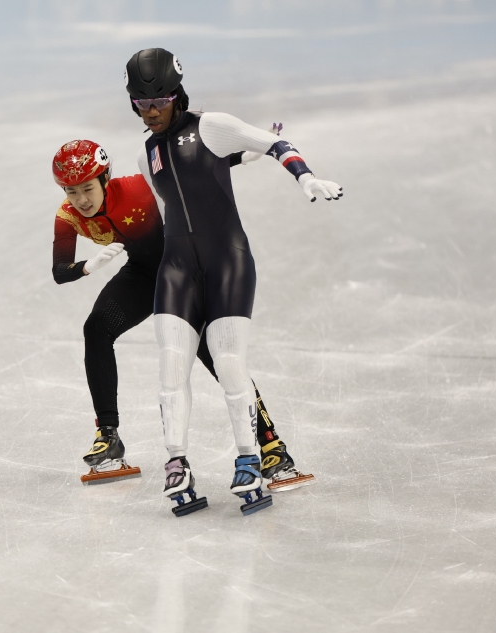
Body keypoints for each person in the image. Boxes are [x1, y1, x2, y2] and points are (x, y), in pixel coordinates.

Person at [125, 48, 342, 515]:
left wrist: (304, 178)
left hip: (228, 262)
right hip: (177, 268)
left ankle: (249, 459)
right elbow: (189, 189)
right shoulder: (148, 151)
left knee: (227, 363)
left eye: (159, 101)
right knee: (170, 369)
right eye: (141, 105)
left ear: (176, 95)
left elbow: (276, 144)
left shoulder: (211, 124)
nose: (152, 111)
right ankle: (176, 462)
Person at [50, 140, 313, 490]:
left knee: (216, 355)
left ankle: (271, 445)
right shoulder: (67, 215)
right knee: (96, 328)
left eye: (87, 188)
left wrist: (244, 155)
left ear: (104, 178)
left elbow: (188, 173)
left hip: (186, 271)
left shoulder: (135, 187)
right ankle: (108, 435)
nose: (81, 199)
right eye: (71, 191)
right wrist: (86, 266)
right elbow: (59, 270)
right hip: (145, 273)